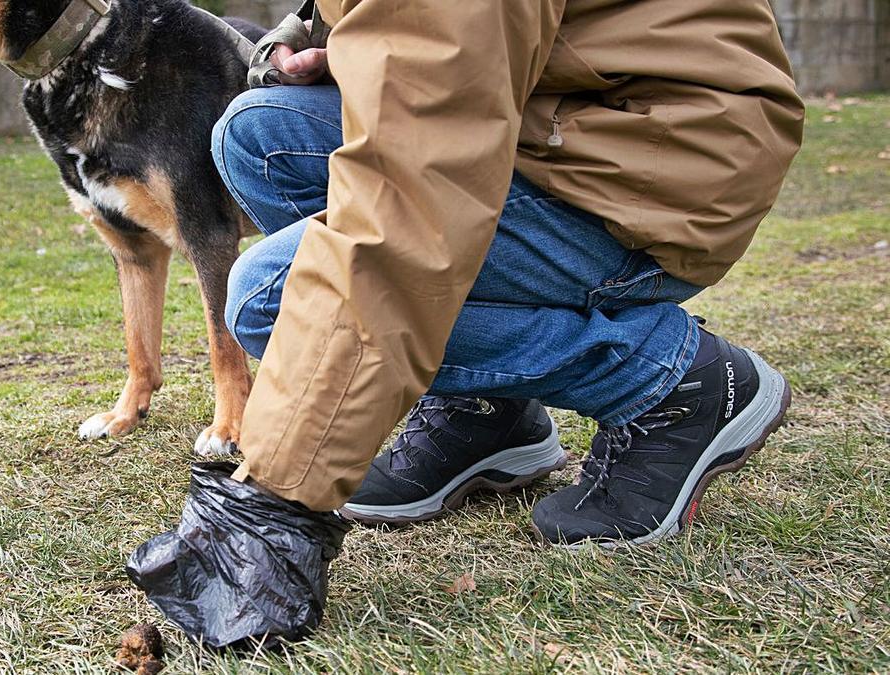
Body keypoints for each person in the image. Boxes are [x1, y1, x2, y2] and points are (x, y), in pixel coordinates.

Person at [128, 0, 804, 647]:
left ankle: (666, 380)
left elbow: (417, 192)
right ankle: (486, 410)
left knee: (266, 300)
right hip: (577, 118)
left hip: (661, 164)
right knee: (258, 135)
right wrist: (317, 33)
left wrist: (271, 501)